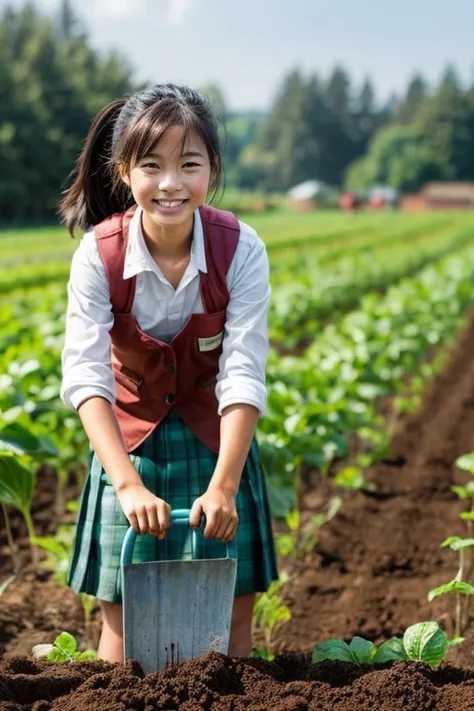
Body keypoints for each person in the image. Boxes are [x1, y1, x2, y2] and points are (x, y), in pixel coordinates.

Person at [59, 83, 278, 662]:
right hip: (129, 438)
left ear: (212, 169)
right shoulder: (99, 254)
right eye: (152, 165)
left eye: (189, 164)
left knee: (229, 619)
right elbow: (86, 375)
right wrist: (125, 482)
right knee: (123, 624)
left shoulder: (241, 248)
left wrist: (226, 484)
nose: (171, 184)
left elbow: (242, 368)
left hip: (216, 437)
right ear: (125, 170)